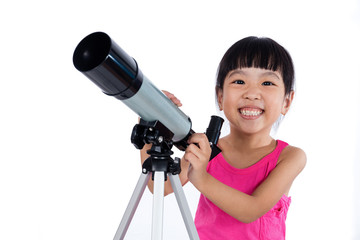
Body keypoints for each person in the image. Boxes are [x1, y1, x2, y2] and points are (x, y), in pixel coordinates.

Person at [140, 36, 306, 239]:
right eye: (239, 81)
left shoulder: (290, 157)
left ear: (286, 101)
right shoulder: (208, 150)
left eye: (267, 82)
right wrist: (149, 118)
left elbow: (251, 210)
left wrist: (201, 178)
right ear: (220, 96)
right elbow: (160, 185)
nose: (252, 93)